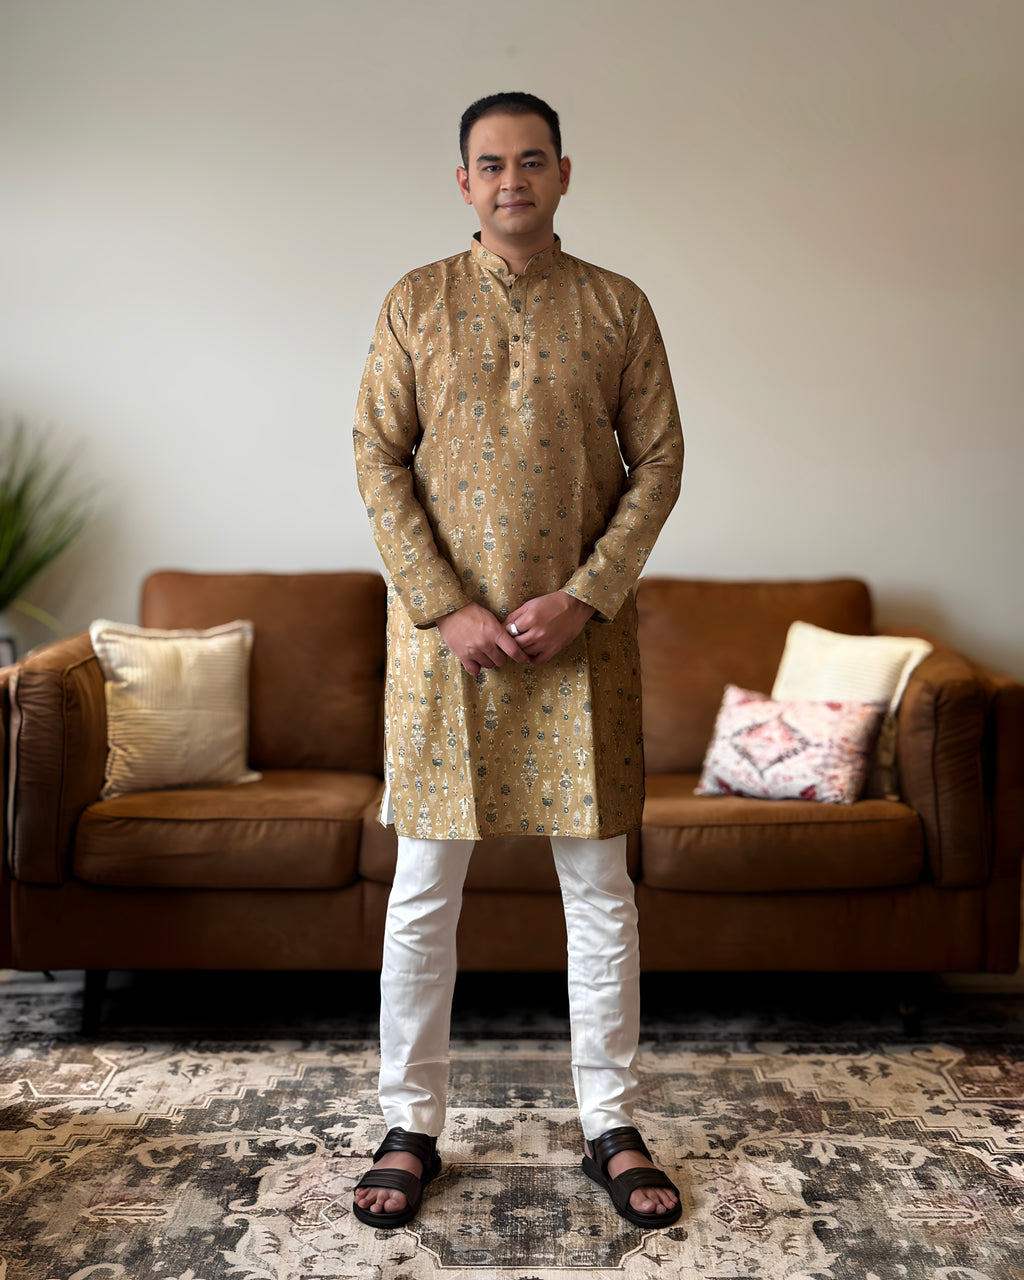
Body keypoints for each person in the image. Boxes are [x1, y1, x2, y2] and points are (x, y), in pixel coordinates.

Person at [351, 91, 684, 1231]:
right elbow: (376, 460)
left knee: (598, 893)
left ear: (563, 172)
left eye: (530, 161)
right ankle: (410, 1122)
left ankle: (611, 1119)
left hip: (578, 648)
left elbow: (659, 462)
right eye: (489, 164)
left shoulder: (615, 305)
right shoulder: (414, 302)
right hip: (446, 654)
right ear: (462, 181)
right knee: (421, 895)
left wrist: (587, 595)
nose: (510, 181)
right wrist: (444, 607)